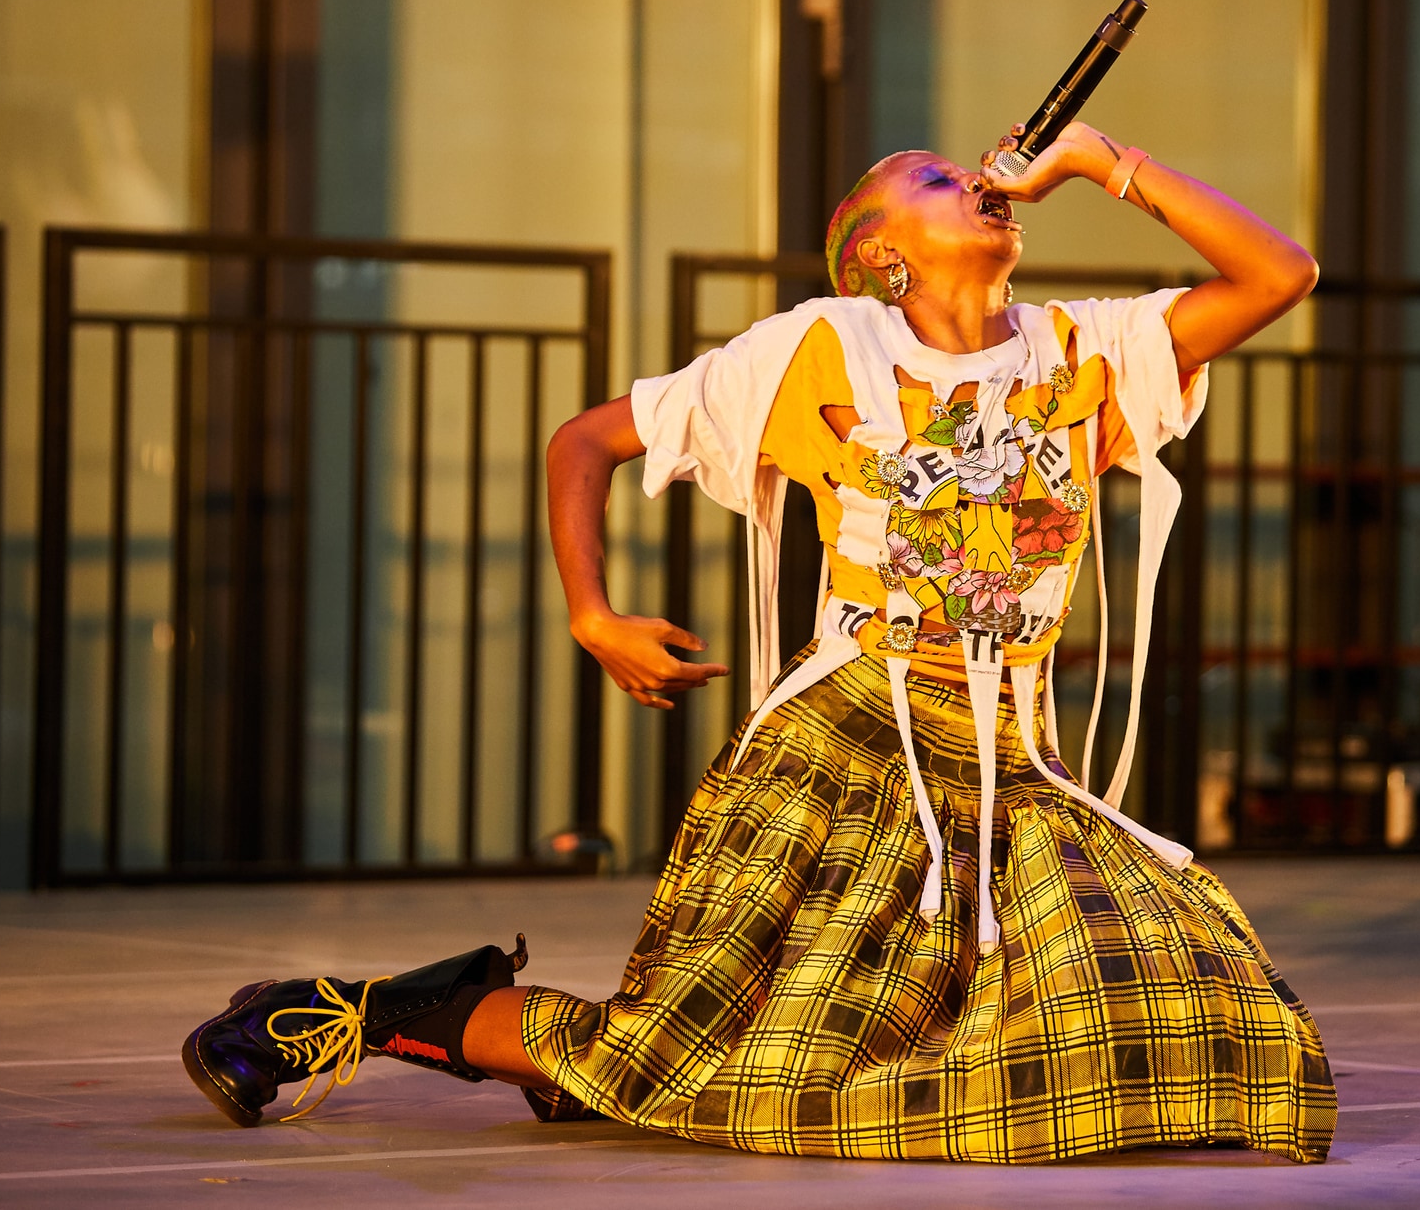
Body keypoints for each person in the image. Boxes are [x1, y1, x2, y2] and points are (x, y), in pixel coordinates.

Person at [182, 121, 1335, 1165]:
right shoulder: (819, 348)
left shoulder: (1083, 351)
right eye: (932, 179)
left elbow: (1280, 273)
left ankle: (533, 1039)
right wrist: (592, 613)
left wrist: (1102, 161)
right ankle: (358, 1011)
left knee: (1193, 1027)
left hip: (1004, 767)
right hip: (841, 752)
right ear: (882, 254)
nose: (978, 177)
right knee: (706, 1064)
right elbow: (584, 440)